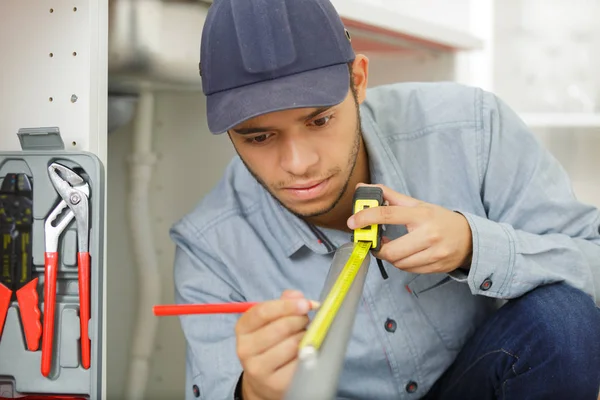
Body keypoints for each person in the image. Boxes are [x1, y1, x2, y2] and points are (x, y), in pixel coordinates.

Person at [170, 0, 600, 399]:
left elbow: (592, 263)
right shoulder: (210, 247)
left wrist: (473, 245)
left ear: (357, 81)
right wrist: (256, 392)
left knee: (562, 318)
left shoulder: (472, 129)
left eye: (319, 120)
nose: (298, 163)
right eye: (259, 137)